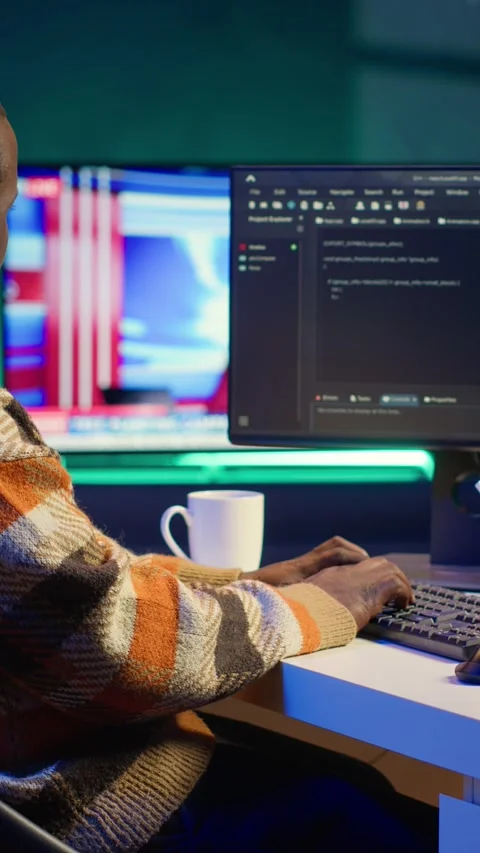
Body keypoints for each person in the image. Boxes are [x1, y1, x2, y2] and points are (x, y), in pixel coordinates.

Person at [0, 105, 437, 853]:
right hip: (80, 807)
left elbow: (57, 590)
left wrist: (248, 581)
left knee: (359, 787)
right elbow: (116, 645)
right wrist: (307, 606)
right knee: (393, 822)